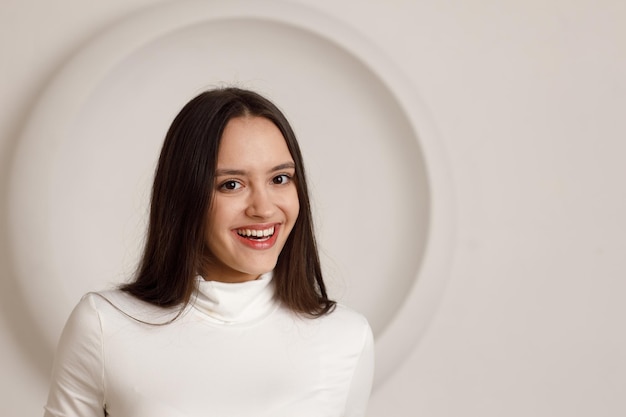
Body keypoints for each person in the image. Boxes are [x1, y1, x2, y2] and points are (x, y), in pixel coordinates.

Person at [43, 87, 375, 417]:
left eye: (280, 178)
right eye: (231, 184)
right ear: (185, 196)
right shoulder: (103, 325)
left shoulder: (347, 337)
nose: (263, 208)